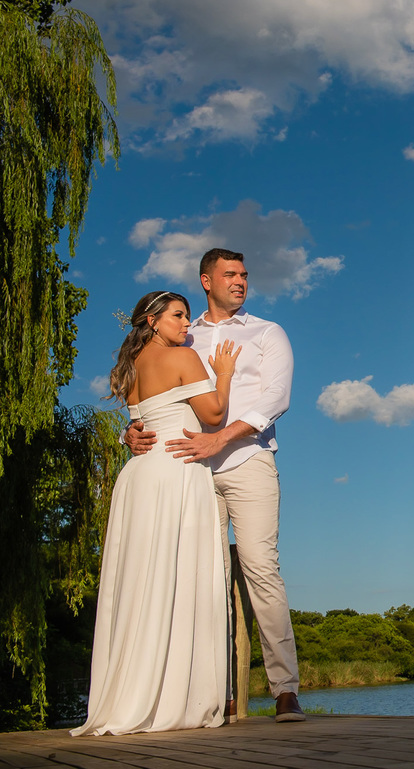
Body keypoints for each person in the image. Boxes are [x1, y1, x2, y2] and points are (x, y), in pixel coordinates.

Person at [126, 248, 305, 722]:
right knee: (205, 578)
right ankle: (217, 693)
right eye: (230, 274)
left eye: (245, 274)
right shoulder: (183, 334)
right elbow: (152, 390)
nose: (240, 281)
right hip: (191, 471)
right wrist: (134, 428)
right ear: (206, 281)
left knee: (260, 569)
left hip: (248, 461)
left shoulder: (268, 332)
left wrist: (221, 437)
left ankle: (285, 689)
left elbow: (276, 397)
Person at [73, 291, 241, 736]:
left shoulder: (130, 369)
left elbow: (137, 423)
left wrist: (130, 433)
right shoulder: (184, 358)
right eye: (179, 316)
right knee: (179, 575)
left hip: (138, 477)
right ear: (153, 320)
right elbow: (215, 414)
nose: (187, 325)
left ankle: (131, 692)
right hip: (175, 472)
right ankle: (172, 696)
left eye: (187, 316)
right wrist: (223, 374)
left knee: (140, 582)